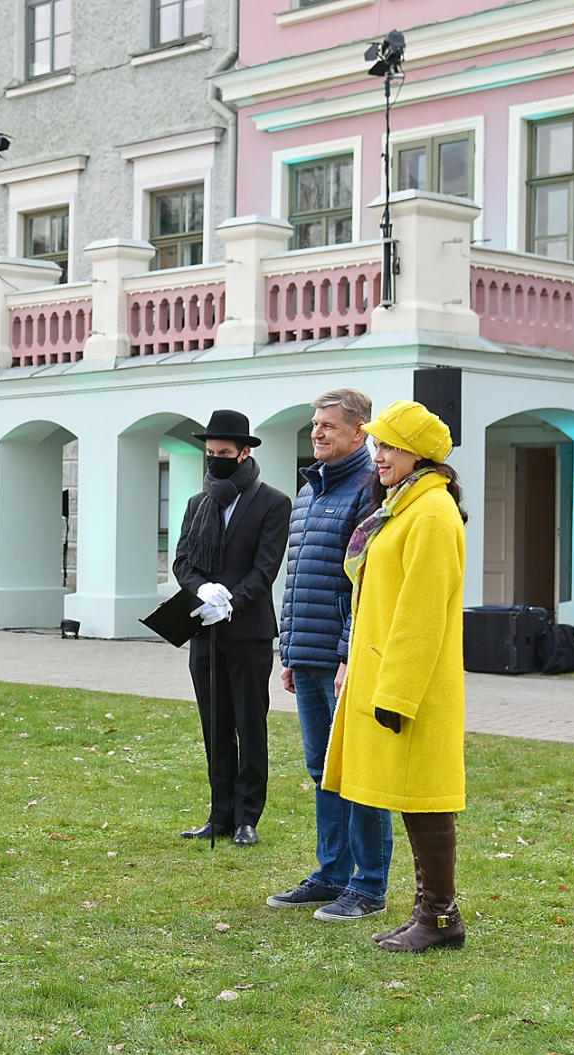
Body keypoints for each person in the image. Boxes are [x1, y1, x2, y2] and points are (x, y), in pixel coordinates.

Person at [322, 399, 469, 952]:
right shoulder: (405, 506)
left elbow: (421, 613)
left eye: (388, 446)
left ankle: (438, 916)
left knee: (425, 798)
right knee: (412, 797)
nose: (377, 455)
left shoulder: (430, 513)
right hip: (390, 677)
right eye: (378, 445)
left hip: (414, 686)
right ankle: (432, 913)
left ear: (419, 455)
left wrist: (397, 693)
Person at [267, 389, 394, 922]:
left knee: (359, 772)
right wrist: (290, 650)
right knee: (323, 770)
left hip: (346, 660)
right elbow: (300, 578)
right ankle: (331, 874)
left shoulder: (368, 490)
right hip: (309, 653)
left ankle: (368, 886)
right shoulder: (311, 491)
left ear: (359, 432)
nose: (317, 433)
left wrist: (347, 655)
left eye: (329, 427)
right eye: (315, 424)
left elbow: (365, 584)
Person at [171, 409, 292, 847]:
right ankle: (218, 815)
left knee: (249, 722)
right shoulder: (197, 503)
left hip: (248, 631)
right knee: (214, 723)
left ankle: (247, 817)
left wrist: (231, 601)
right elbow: (182, 561)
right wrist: (203, 591)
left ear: (244, 453)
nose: (215, 460)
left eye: (224, 453)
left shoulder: (273, 503)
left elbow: (265, 570)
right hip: (204, 629)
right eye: (210, 453)